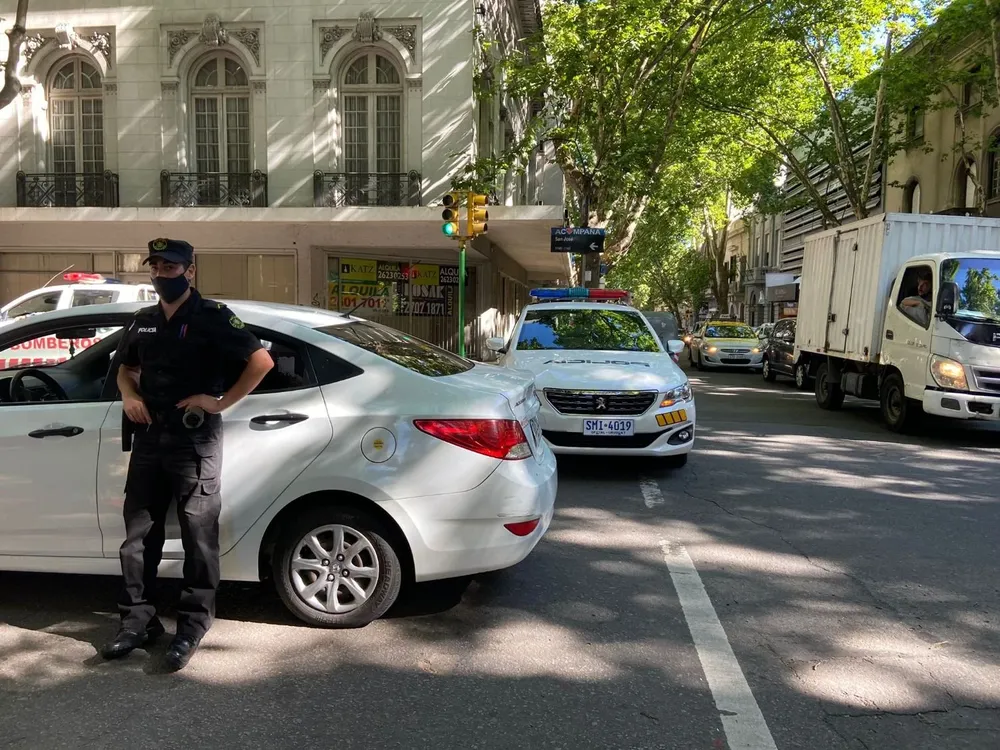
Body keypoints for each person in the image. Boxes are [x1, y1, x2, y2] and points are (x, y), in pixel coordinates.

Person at [101, 238, 274, 671]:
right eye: (156, 266)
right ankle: (137, 621)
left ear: (190, 272)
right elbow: (126, 369)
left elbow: (261, 362)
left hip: (193, 442)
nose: (162, 274)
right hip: (148, 438)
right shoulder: (142, 321)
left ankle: (193, 624)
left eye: (171, 268)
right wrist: (127, 395)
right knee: (138, 538)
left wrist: (218, 402)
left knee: (199, 537)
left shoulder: (213, 317)